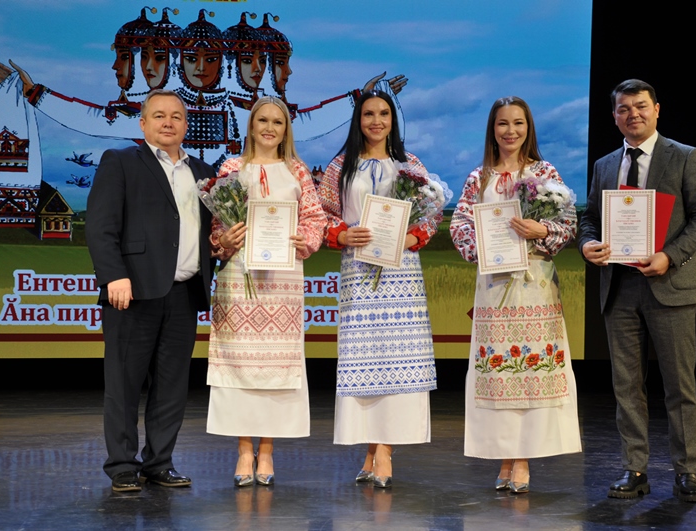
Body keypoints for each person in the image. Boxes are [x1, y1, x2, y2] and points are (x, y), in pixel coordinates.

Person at [578, 79, 696, 503]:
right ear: (614, 116)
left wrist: (669, 256)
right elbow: (590, 218)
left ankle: (687, 472)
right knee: (626, 387)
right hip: (619, 288)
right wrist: (587, 243)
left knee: (679, 386)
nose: (632, 114)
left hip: (670, 285)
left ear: (657, 109)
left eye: (640, 106)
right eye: (623, 109)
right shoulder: (605, 164)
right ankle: (634, 469)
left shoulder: (685, 156)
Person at [85, 89, 216, 492]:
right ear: (143, 123)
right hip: (133, 290)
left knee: (171, 386)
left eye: (176, 116)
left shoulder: (204, 172)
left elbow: (208, 232)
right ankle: (123, 465)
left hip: (184, 292)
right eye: (159, 115)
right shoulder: (121, 161)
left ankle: (159, 463)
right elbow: (101, 225)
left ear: (186, 124)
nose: (168, 122)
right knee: (124, 384)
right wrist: (113, 276)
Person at [450, 96, 582, 493]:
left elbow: (568, 222)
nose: (511, 131)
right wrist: (483, 248)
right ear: (492, 129)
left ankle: (521, 459)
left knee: (529, 373)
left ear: (529, 128)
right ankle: (505, 455)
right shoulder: (480, 177)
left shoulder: (544, 172)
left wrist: (542, 231)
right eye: (503, 123)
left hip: (535, 286)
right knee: (499, 374)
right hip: (494, 287)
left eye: (518, 123)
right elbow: (459, 224)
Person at [317, 90, 439, 488]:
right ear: (358, 120)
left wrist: (415, 237)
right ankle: (371, 448)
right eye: (368, 114)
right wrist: (341, 235)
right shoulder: (340, 166)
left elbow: (431, 214)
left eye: (384, 113)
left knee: (397, 358)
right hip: (358, 271)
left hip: (401, 272)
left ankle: (384, 450)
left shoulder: (410, 164)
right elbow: (322, 215)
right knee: (365, 359)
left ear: (392, 120)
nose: (376, 121)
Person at [205, 96, 326, 487]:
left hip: (282, 280)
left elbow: (315, 219)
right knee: (240, 365)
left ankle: (268, 450)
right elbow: (217, 226)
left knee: (276, 369)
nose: (270, 128)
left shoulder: (297, 171)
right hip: (239, 277)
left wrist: (304, 238)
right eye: (263, 120)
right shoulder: (231, 168)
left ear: (286, 129)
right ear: (251, 125)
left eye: (278, 121)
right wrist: (224, 239)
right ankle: (244, 450)